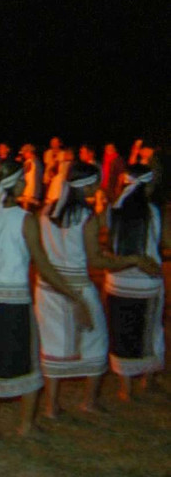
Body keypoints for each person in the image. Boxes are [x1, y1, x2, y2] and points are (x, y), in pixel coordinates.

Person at [0, 160, 91, 444]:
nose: (27, 184)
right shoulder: (24, 219)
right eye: (23, 180)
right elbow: (44, 267)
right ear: (13, 185)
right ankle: (26, 424)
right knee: (26, 360)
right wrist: (74, 295)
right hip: (15, 301)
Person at [37, 162, 160, 417]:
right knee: (96, 342)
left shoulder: (47, 211)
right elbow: (96, 261)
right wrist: (132, 259)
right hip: (78, 286)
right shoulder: (87, 217)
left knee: (53, 344)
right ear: (90, 185)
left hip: (48, 288)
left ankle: (51, 405)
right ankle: (89, 401)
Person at [105, 165, 165, 401]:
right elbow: (158, 241)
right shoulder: (152, 211)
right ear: (148, 186)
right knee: (149, 332)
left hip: (118, 280)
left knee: (122, 333)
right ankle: (146, 381)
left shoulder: (115, 209)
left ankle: (125, 387)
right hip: (145, 280)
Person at [18, 144, 43, 211]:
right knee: (25, 207)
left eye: (25, 153)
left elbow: (25, 171)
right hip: (28, 188)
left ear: (29, 152)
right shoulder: (31, 161)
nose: (24, 155)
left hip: (31, 189)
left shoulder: (33, 162)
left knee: (28, 208)